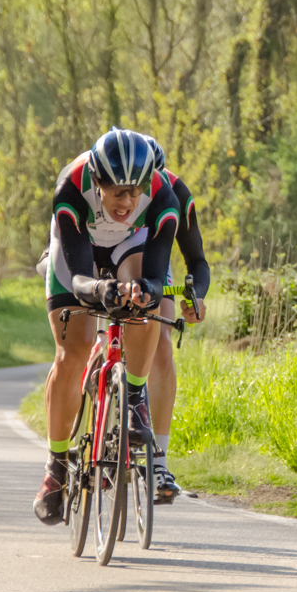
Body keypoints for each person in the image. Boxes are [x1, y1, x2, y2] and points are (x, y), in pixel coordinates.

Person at [33, 128, 182, 525]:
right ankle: (56, 468)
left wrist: (142, 291)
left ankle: (133, 400)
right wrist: (101, 288)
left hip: (128, 245)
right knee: (73, 351)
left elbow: (156, 276)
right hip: (78, 248)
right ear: (97, 181)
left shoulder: (162, 195)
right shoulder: (71, 186)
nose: (127, 202)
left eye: (135, 192)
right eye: (117, 193)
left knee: (144, 306)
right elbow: (81, 277)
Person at [141, 137, 211, 503]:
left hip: (154, 257)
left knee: (162, 345)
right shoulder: (102, 187)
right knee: (91, 332)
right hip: (104, 252)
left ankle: (158, 462)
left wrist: (196, 297)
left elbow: (197, 260)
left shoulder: (175, 191)